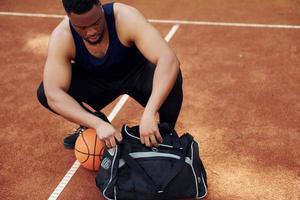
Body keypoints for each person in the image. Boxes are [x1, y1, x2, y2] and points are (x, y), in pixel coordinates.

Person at [36, 0, 183, 149]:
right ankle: (93, 126)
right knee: (45, 92)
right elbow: (53, 93)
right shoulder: (62, 36)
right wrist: (97, 124)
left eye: (96, 22)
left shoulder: (125, 17)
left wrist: (149, 112)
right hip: (97, 82)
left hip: (137, 74)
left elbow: (169, 60)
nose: (91, 31)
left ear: (100, 7)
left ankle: (166, 133)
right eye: (82, 27)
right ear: (68, 17)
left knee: (172, 74)